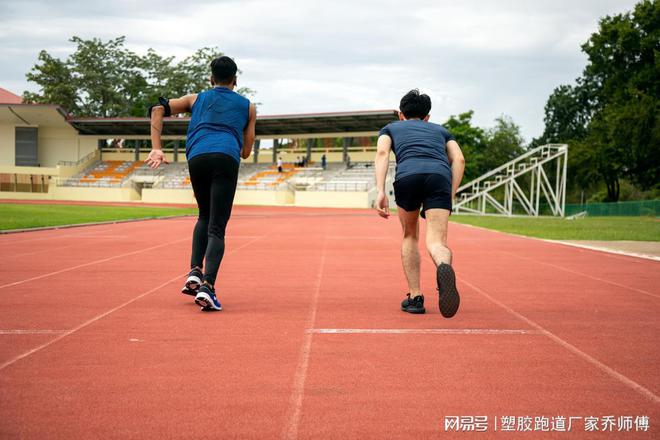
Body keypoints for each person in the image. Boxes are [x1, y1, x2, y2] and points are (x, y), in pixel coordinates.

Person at [146, 56, 257, 312]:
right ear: (235, 80)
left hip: (197, 156)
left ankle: (195, 272)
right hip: (226, 157)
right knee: (217, 227)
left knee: (204, 215)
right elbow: (246, 152)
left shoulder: (195, 99)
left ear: (211, 78)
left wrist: (156, 148)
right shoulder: (248, 106)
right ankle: (208, 287)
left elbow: (157, 109)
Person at [374, 89, 465, 317]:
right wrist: (450, 194)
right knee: (436, 241)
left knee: (410, 235)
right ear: (427, 117)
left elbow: (383, 153)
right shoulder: (442, 131)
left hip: (408, 176)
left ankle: (415, 297)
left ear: (400, 114)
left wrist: (379, 191)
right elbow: (459, 159)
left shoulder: (390, 128)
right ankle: (443, 266)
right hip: (439, 177)